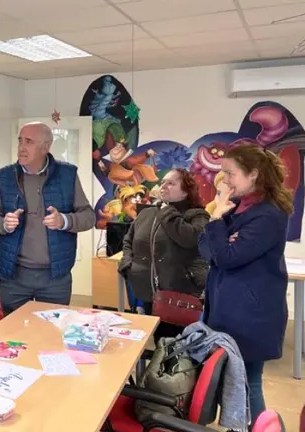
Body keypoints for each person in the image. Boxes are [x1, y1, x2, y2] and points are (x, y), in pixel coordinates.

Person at [198, 143, 293, 426]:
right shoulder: (235, 208)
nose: (225, 181)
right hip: (226, 307)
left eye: (230, 173)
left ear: (253, 174)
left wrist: (216, 221)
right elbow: (206, 249)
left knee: (249, 380)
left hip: (251, 314)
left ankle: (257, 427)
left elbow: (226, 257)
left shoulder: (269, 215)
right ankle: (241, 426)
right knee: (233, 378)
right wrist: (219, 229)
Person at [0, 121, 94, 314]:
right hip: (14, 276)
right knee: (14, 335)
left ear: (45, 147)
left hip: (55, 277)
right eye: (20, 141)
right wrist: (3, 223)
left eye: (28, 142)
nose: (21, 147)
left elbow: (88, 217)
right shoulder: (5, 176)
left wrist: (64, 221)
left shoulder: (67, 175)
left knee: (51, 335)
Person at [118, 168, 209, 339]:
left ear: (186, 191)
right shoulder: (146, 213)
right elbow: (128, 240)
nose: (164, 186)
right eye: (163, 182)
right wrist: (128, 264)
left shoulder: (197, 215)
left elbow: (189, 239)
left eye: (171, 183)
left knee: (177, 347)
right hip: (145, 291)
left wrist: (166, 209)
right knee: (150, 341)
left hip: (178, 294)